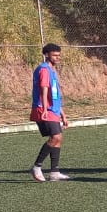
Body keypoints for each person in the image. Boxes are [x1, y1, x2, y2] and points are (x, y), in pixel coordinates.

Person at [29, 43, 70, 182]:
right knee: (56, 137)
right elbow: (44, 90)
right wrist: (45, 109)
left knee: (58, 139)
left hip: (53, 110)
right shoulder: (44, 69)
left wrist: (62, 114)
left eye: (59, 55)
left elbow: (55, 95)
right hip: (43, 109)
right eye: (54, 55)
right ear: (47, 55)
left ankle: (54, 172)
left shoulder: (51, 70)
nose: (57, 58)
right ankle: (36, 166)